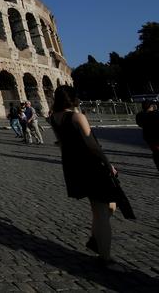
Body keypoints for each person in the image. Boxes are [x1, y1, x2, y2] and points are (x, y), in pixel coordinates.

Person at [48, 85, 122, 271]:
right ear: (72, 99)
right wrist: (108, 163)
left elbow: (61, 143)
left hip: (73, 165)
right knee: (103, 211)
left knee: (107, 206)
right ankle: (105, 257)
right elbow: (92, 144)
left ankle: (95, 240)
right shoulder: (77, 117)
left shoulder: (53, 119)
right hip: (91, 164)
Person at [136, 100, 159, 171]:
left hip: (149, 140)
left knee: (156, 155)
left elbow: (140, 124)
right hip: (157, 139)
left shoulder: (140, 115)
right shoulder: (155, 114)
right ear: (151, 106)